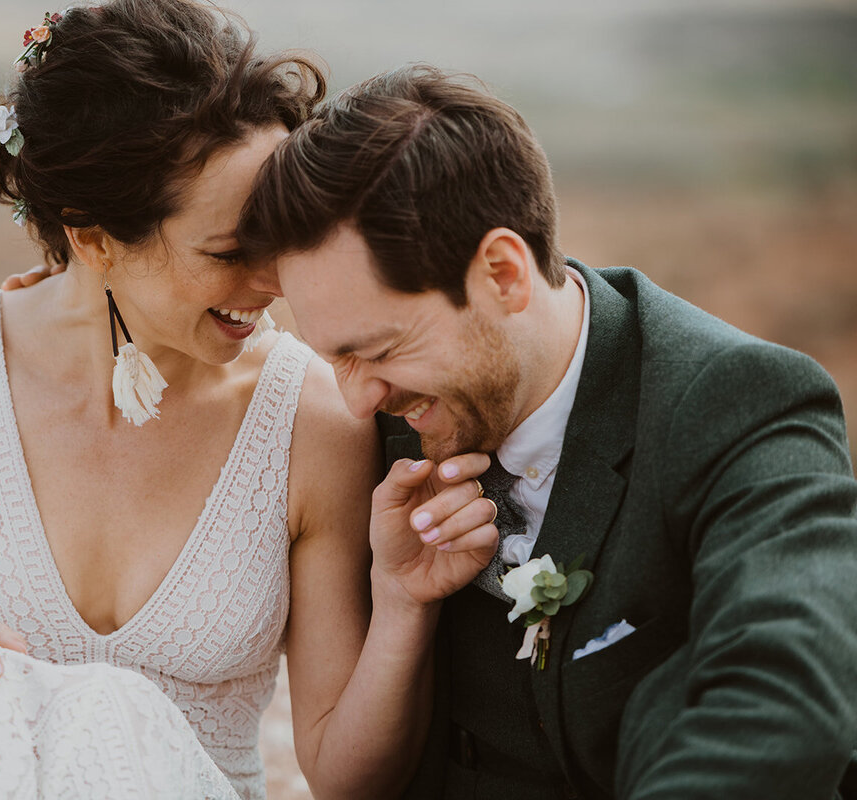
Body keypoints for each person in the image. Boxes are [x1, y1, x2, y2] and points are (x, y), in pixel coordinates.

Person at [0, 5, 499, 798]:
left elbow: (341, 775)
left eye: (283, 236)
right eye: (230, 251)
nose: (276, 282)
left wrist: (402, 606)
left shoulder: (312, 416)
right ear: (93, 236)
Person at [233, 65, 857, 799]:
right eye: (335, 357)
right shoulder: (384, 426)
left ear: (503, 272)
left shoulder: (736, 401)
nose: (361, 399)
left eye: (379, 350)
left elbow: (787, 696)